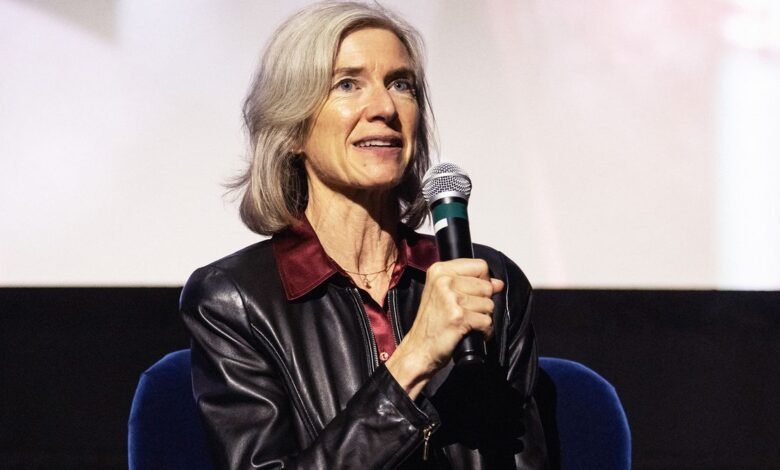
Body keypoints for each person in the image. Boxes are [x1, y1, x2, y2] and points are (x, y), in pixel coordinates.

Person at [180, 2, 548, 468]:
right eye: (347, 84)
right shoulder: (235, 299)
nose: (385, 108)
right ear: (293, 127)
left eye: (401, 84)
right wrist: (413, 359)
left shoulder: (487, 279)